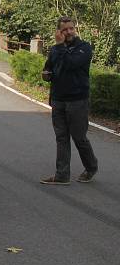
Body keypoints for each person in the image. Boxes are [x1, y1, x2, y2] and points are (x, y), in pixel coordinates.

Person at [40, 16, 98, 185]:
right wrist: (46, 74)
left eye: (71, 28)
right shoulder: (55, 50)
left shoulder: (84, 48)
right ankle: (62, 175)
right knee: (61, 137)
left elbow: (72, 64)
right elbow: (48, 67)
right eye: (64, 29)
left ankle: (91, 166)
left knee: (79, 137)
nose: (69, 32)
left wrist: (59, 46)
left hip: (77, 100)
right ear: (59, 31)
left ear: (75, 29)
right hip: (58, 99)